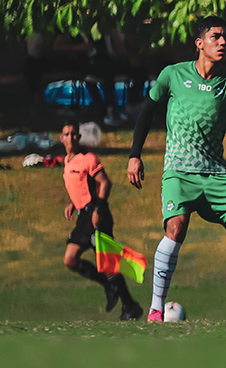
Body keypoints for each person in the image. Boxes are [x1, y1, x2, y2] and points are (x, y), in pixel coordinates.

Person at [127, 16, 226, 323]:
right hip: (178, 172)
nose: (223, 42)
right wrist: (134, 155)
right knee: (175, 228)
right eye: (216, 37)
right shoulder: (172, 74)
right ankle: (156, 309)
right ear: (200, 43)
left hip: (215, 175)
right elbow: (147, 111)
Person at [61, 121, 142, 320]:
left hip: (96, 215)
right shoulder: (67, 161)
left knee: (107, 262)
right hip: (83, 216)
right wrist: (72, 202)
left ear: (79, 138)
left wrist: (97, 209)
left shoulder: (88, 158)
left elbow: (105, 183)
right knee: (70, 259)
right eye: (67, 134)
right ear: (61, 138)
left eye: (74, 134)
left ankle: (130, 307)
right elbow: (81, 185)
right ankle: (113, 289)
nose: (71, 137)